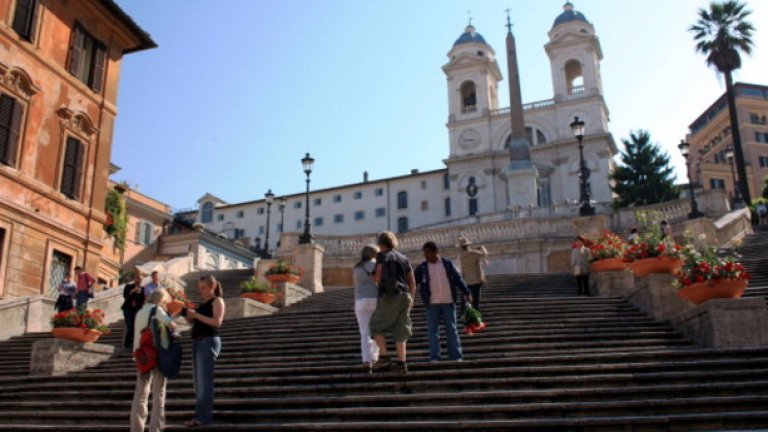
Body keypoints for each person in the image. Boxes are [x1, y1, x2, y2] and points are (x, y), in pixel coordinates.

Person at [415, 242, 471, 363]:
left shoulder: (447, 264)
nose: (425, 256)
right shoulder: (422, 267)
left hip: (448, 301)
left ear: (435, 252)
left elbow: (457, 279)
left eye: (427, 253)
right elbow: (413, 281)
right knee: (432, 331)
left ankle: (456, 355)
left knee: (451, 329)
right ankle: (435, 356)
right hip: (432, 303)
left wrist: (466, 292)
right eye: (424, 253)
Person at [370, 231, 417, 374]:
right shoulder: (403, 258)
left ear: (381, 244)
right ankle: (402, 364)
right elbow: (412, 281)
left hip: (389, 296)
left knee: (375, 326)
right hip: (405, 296)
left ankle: (384, 357)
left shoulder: (382, 256)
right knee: (400, 330)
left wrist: (373, 277)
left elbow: (377, 278)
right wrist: (412, 298)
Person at [130, 288, 176, 432]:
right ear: (161, 300)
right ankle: (155, 429)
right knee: (159, 394)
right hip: (157, 356)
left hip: (142, 356)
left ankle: (136, 428)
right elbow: (172, 325)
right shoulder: (157, 310)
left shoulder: (140, 312)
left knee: (141, 395)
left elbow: (137, 334)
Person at [183, 275, 225, 428]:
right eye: (199, 288)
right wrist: (189, 316)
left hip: (208, 341)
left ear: (212, 287)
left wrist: (196, 315)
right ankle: (200, 416)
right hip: (198, 341)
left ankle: (203, 417)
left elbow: (217, 322)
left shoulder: (217, 301)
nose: (200, 291)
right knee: (198, 383)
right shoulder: (204, 303)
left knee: (204, 383)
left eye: (203, 288)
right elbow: (197, 321)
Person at [352, 244, 380, 373]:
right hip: (376, 299)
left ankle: (366, 360)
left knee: (364, 332)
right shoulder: (377, 265)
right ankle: (375, 357)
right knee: (377, 330)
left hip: (360, 300)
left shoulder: (357, 268)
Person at [457, 237, 487, 311]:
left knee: (466, 299)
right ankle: (476, 315)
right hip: (477, 280)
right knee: (476, 301)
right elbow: (485, 254)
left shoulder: (460, 256)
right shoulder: (473, 253)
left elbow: (462, 270)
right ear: (468, 245)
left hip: (467, 281)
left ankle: (464, 314)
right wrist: (482, 248)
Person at [122, 269, 146, 351]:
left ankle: (133, 343)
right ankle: (127, 344)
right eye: (137, 278)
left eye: (140, 278)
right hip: (128, 309)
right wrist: (132, 291)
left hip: (137, 310)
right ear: (134, 278)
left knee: (136, 327)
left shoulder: (143, 288)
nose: (139, 279)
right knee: (130, 326)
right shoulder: (128, 287)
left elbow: (143, 300)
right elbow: (125, 296)